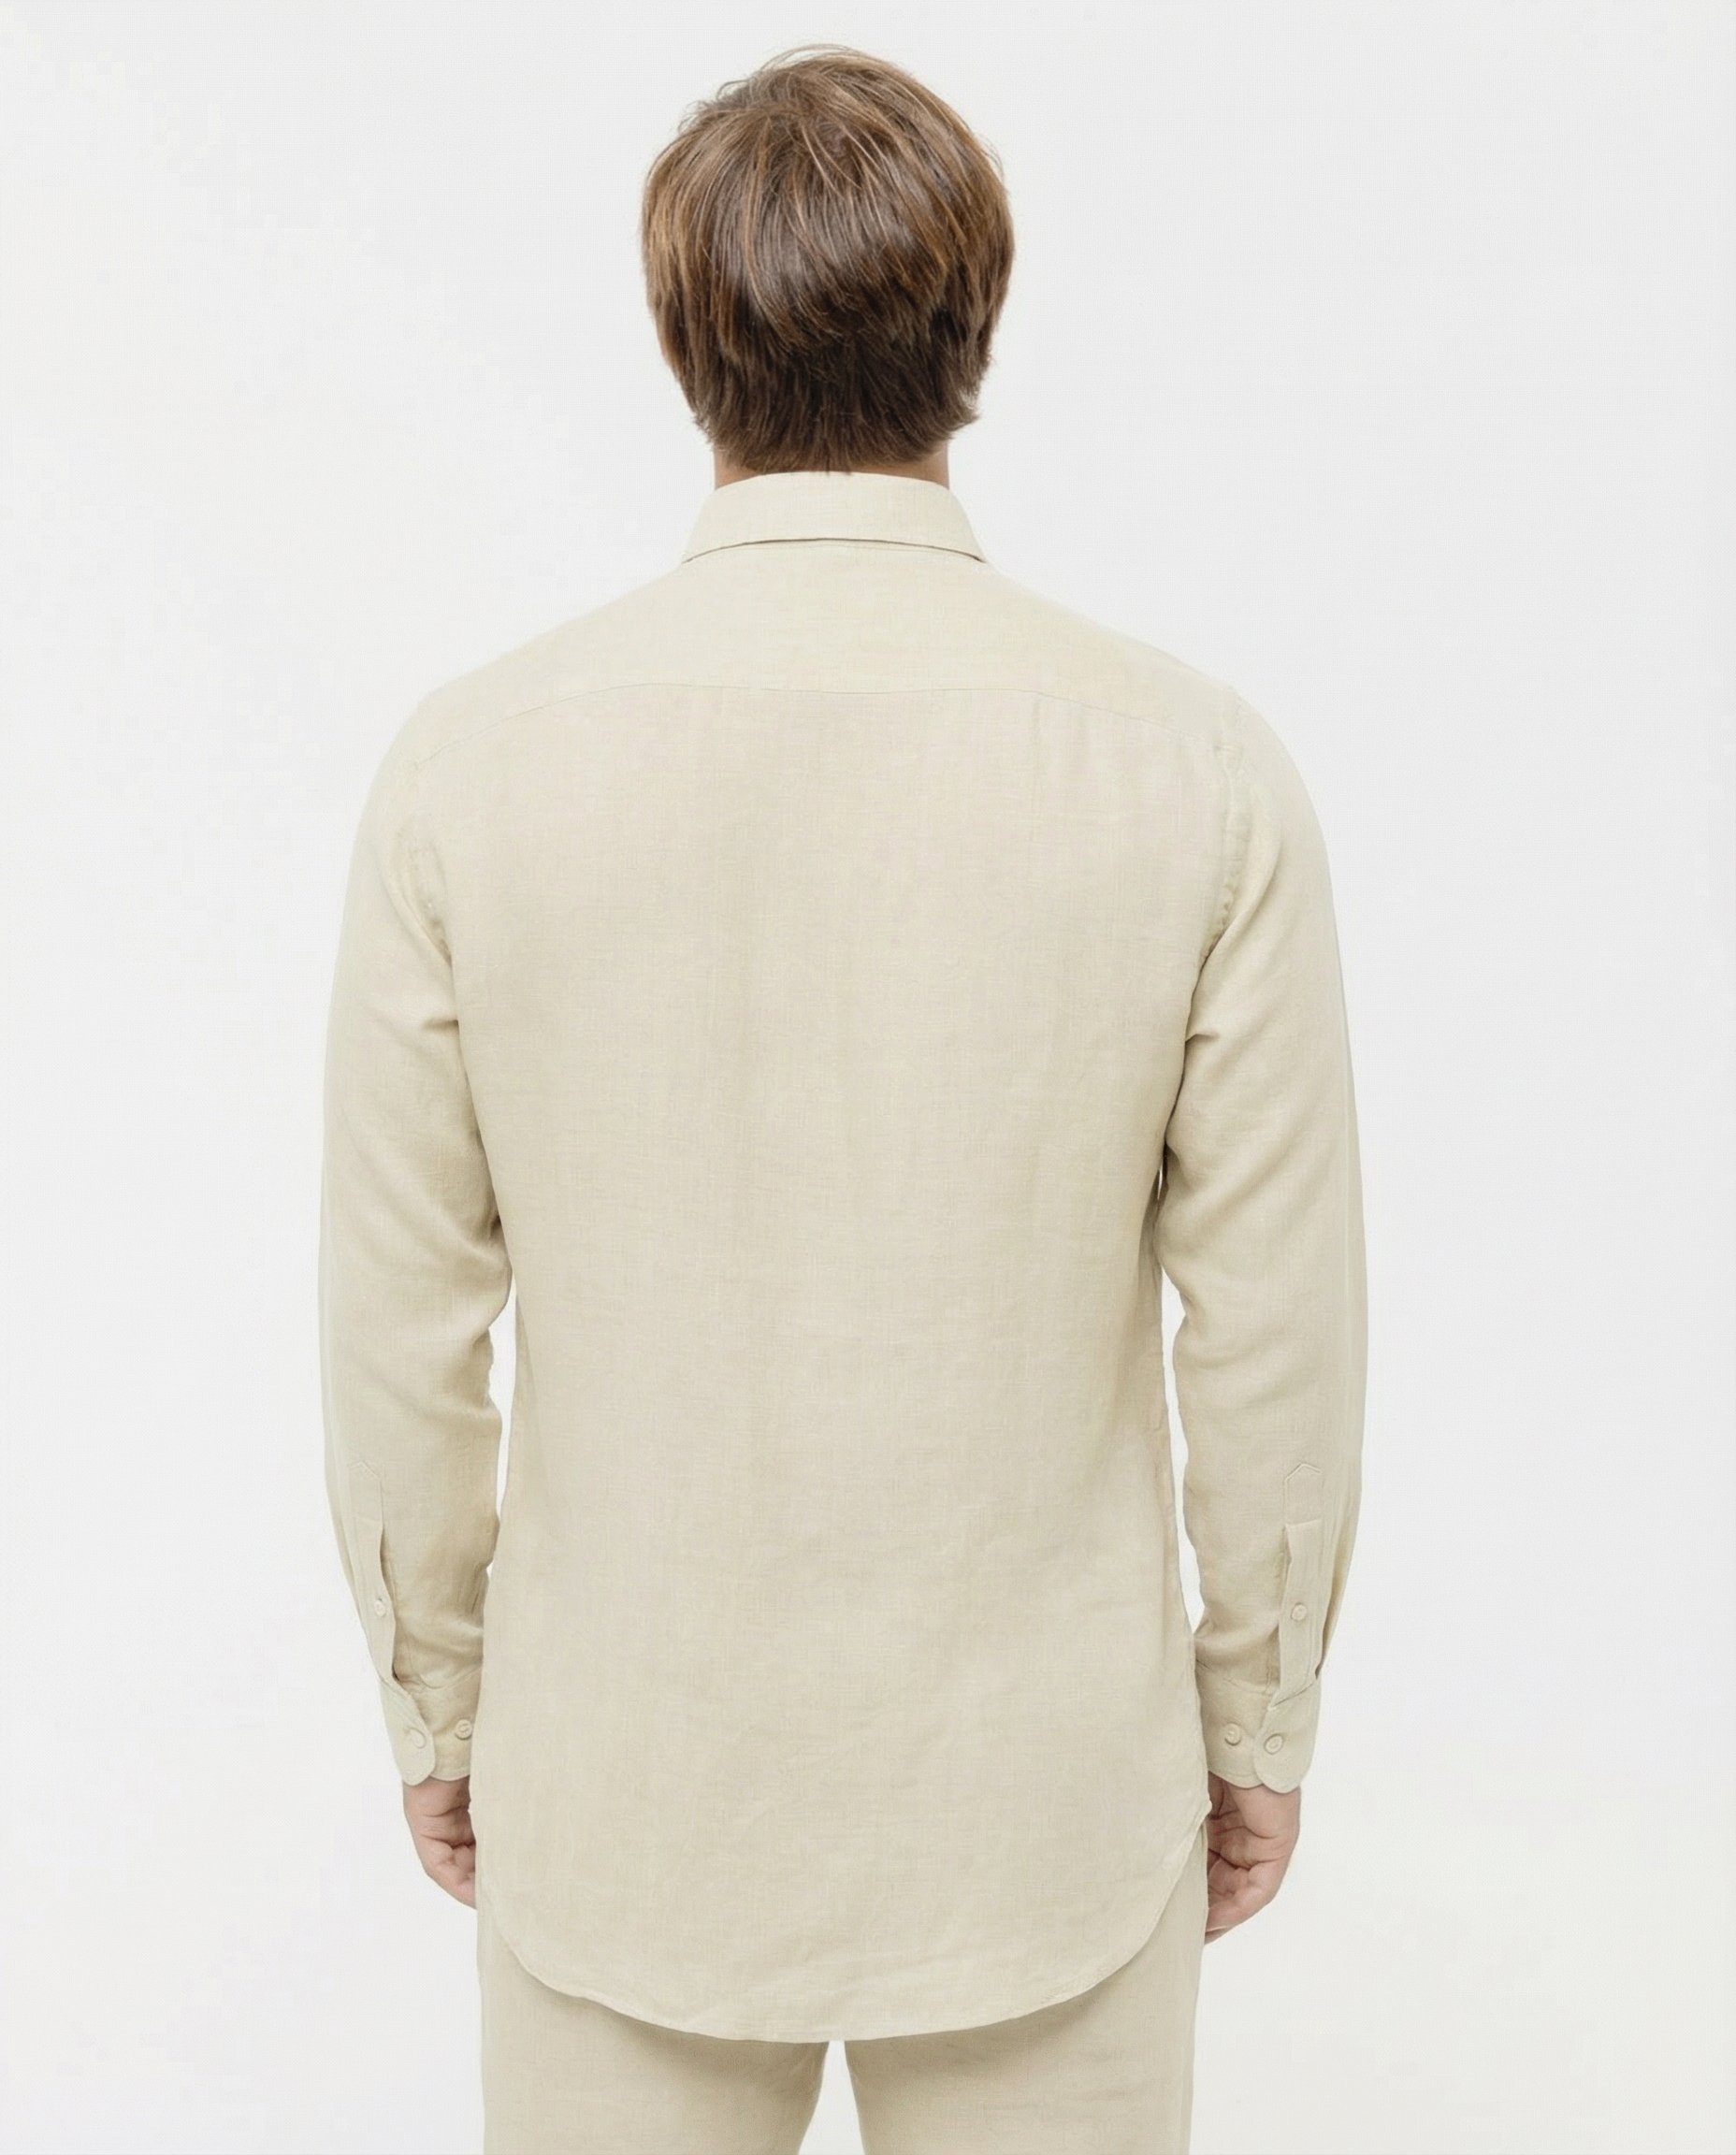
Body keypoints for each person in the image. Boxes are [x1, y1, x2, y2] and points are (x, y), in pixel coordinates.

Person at [319, 40, 1367, 2155]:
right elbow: (1274, 1323)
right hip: (1046, 1813)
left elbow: (399, 1321)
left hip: (623, 1793)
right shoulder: (1192, 769)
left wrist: (442, 1697)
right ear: (976, 324)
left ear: (679, 339)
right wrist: (1254, 1712)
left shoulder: (471, 771)